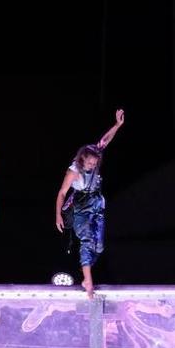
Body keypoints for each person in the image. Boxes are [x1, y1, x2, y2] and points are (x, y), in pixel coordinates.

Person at [56, 109, 125, 298]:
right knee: (86, 240)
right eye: (89, 164)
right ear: (82, 160)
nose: (92, 166)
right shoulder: (74, 171)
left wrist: (117, 125)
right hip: (81, 205)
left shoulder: (94, 156)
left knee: (99, 247)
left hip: (97, 203)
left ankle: (87, 268)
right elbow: (62, 192)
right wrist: (58, 216)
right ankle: (88, 279)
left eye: (94, 164)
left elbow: (105, 140)